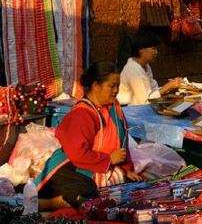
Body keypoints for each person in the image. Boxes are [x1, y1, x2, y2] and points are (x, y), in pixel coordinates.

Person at [35, 61, 142, 210]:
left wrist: (126, 169)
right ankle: (49, 203)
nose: (116, 90)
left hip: (103, 166)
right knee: (88, 194)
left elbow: (122, 143)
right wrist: (109, 159)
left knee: (136, 187)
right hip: (73, 167)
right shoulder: (82, 114)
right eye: (112, 86)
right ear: (96, 85)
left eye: (118, 85)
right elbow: (77, 153)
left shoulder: (113, 107)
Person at [117, 29, 182, 105]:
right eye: (153, 48)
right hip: (130, 110)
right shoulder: (132, 68)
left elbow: (153, 90)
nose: (156, 52)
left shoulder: (146, 66)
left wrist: (170, 86)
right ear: (141, 49)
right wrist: (167, 87)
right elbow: (145, 102)